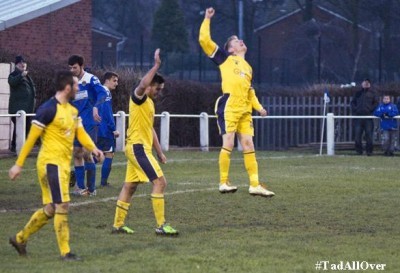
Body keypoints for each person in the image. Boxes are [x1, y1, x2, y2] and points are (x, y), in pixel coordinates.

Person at [8, 71, 104, 260]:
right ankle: (65, 252)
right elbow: (31, 139)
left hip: (62, 166)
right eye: (76, 85)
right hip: (50, 164)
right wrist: (18, 165)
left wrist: (93, 149)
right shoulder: (48, 109)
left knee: (52, 208)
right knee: (62, 205)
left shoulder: (72, 110)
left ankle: (20, 238)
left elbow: (81, 132)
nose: (78, 88)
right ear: (67, 88)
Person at [199, 7, 274, 197]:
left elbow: (250, 92)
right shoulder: (225, 59)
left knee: (248, 144)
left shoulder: (248, 67)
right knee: (229, 143)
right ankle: (223, 182)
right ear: (231, 49)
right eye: (236, 41)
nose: (241, 41)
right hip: (229, 106)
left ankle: (255, 185)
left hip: (245, 110)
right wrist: (207, 19)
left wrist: (260, 108)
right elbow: (204, 41)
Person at [112, 49, 178, 236]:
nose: (159, 92)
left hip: (139, 148)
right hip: (138, 148)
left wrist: (159, 152)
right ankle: (161, 225)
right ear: (150, 86)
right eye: (157, 88)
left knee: (130, 186)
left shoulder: (149, 103)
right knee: (160, 182)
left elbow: (150, 129)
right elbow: (142, 83)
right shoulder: (139, 98)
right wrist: (156, 65)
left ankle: (118, 225)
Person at [68, 55, 107, 196]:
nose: (72, 70)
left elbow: (103, 93)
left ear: (81, 65)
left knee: (86, 154)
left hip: (89, 123)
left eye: (75, 67)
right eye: (70, 68)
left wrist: (96, 106)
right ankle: (80, 188)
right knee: (77, 154)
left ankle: (91, 189)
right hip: (75, 123)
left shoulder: (91, 79)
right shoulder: (71, 82)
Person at [8, 55, 36, 153]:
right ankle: (15, 146)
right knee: (19, 127)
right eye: (20, 63)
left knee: (26, 127)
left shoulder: (27, 76)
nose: (23, 64)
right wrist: (21, 75)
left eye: (24, 62)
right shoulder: (14, 74)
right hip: (17, 108)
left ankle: (20, 146)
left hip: (27, 108)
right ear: (16, 65)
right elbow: (12, 82)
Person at [97, 72, 120, 187]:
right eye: (114, 80)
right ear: (107, 80)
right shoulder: (105, 92)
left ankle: (77, 173)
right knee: (109, 154)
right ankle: (103, 183)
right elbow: (107, 113)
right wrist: (113, 129)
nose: (117, 83)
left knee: (97, 154)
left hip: (96, 128)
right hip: (104, 130)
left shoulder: (98, 91)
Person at [350, 79, 379, 156]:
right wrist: (356, 110)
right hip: (358, 117)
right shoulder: (357, 93)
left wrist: (370, 109)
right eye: (364, 83)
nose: (365, 84)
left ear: (369, 84)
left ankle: (369, 151)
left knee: (369, 135)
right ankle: (359, 151)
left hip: (368, 117)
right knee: (357, 135)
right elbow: (352, 102)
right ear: (362, 84)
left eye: (367, 83)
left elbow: (376, 103)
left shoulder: (373, 93)